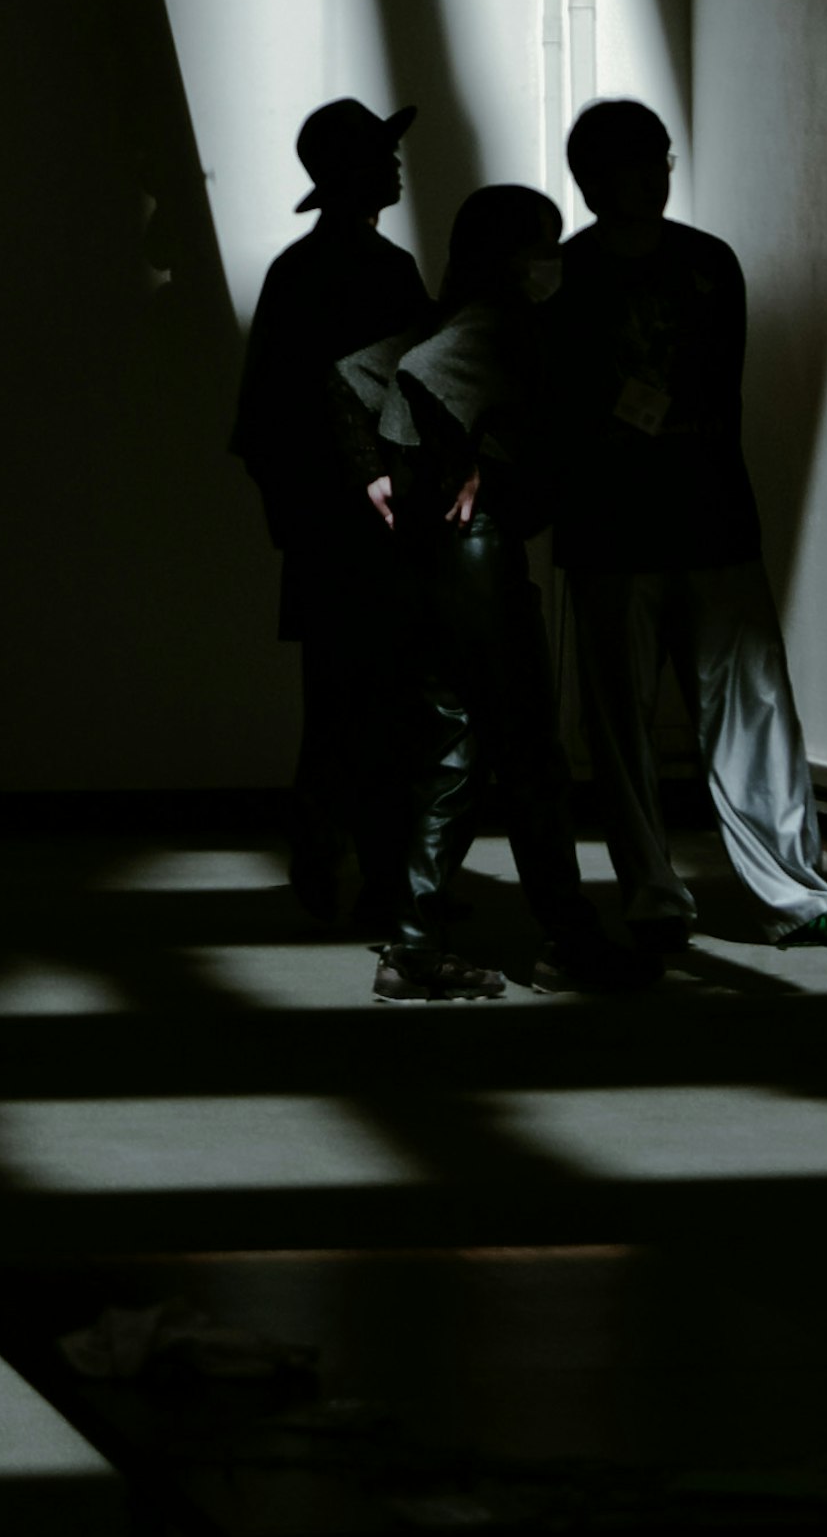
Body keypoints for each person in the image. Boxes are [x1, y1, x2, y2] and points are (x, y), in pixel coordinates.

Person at [546, 97, 827, 950]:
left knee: (743, 710)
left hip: (695, 520)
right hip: (629, 527)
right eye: (644, 159)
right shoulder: (582, 274)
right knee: (635, 721)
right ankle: (664, 894)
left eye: (662, 157)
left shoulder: (698, 262)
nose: (660, 173)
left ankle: (789, 891)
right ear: (596, 177)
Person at [331, 182, 647, 1002]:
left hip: (441, 561)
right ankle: (567, 941)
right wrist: (459, 456)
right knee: (532, 754)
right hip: (478, 557)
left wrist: (385, 469)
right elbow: (417, 376)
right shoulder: (496, 322)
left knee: (458, 745)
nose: (555, 256)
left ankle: (414, 948)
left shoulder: (460, 313)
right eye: (542, 241)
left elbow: (355, 378)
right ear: (511, 253)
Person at [228, 95, 429, 926]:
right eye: (383, 153)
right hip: (362, 533)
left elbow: (262, 426)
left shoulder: (306, 273)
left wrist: (300, 519)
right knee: (375, 707)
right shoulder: (380, 273)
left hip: (333, 531)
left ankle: (334, 870)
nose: (397, 164)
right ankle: (371, 874)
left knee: (346, 708)